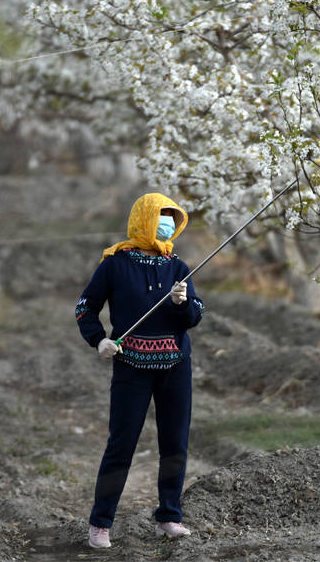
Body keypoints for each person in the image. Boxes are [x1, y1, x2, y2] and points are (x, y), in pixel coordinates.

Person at [74, 192, 205, 548]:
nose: (166, 224)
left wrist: (183, 303)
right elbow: (85, 307)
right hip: (131, 365)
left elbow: (195, 316)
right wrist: (98, 339)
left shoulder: (178, 266)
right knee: (121, 444)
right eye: (160, 217)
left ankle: (170, 516)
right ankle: (100, 524)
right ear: (143, 220)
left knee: (174, 443)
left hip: (176, 365)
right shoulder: (115, 263)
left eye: (171, 218)